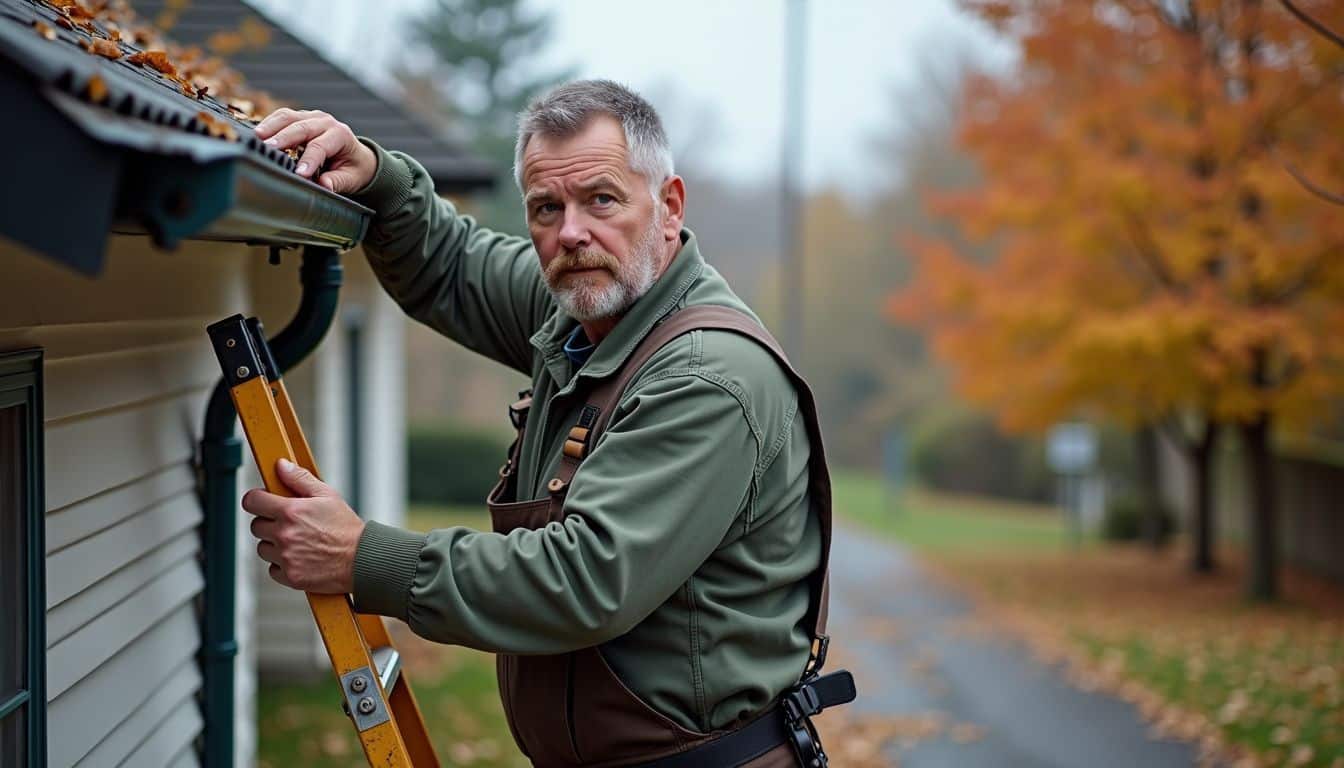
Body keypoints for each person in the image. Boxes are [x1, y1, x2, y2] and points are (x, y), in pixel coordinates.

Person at [241, 79, 850, 767]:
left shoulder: (704, 378)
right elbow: (450, 267)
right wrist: (379, 177)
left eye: (601, 200)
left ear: (668, 206)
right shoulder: (587, 314)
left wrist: (362, 557)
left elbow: (584, 579)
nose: (571, 233)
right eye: (545, 207)